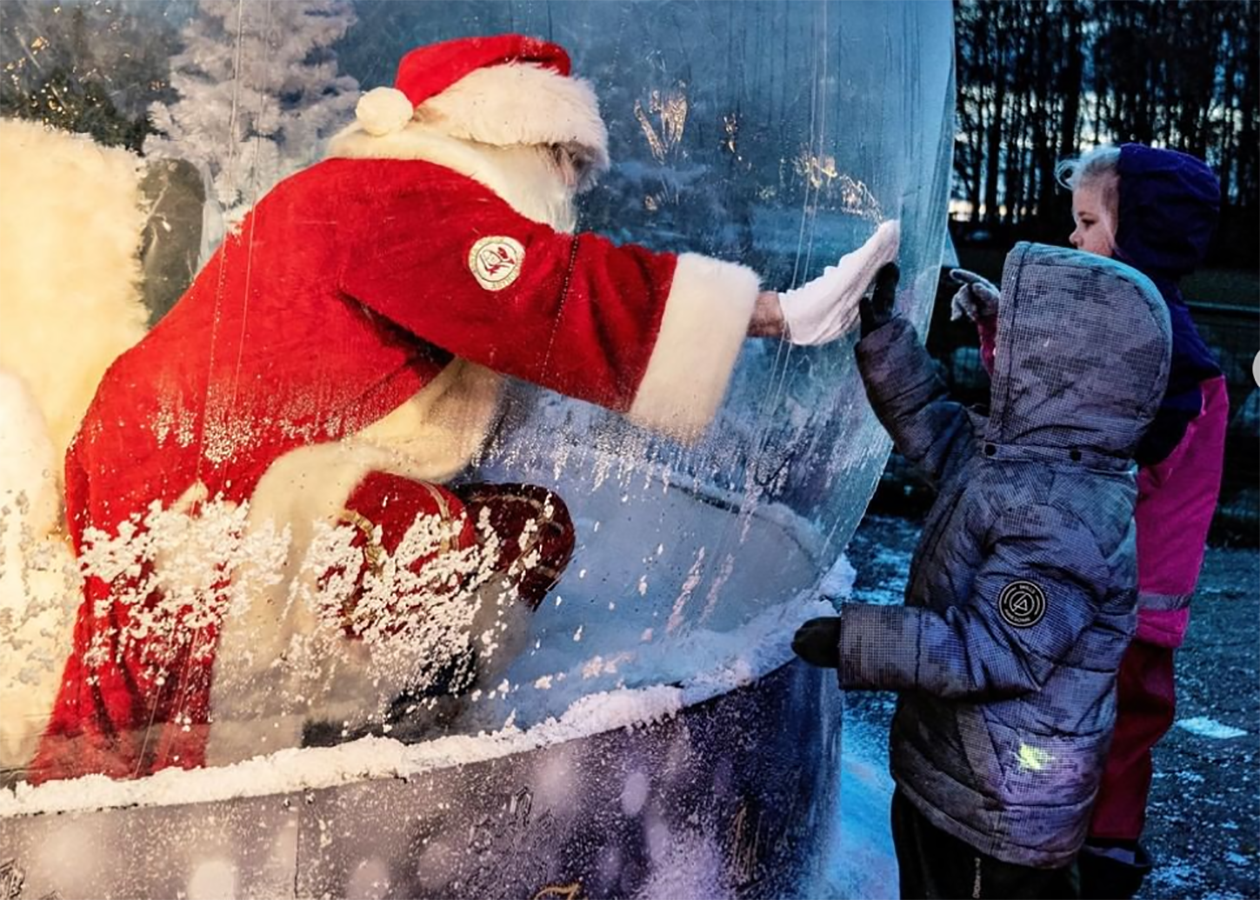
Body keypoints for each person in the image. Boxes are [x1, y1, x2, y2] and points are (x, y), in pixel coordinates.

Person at [28, 34, 899, 782]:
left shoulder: (377, 192)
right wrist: (773, 313)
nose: (568, 189)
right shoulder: (408, 198)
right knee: (157, 678)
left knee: (142, 660)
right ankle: (150, 819)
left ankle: (170, 785)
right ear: (506, 134)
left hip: (179, 448)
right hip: (192, 461)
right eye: (561, 161)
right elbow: (549, 295)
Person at [793, 243, 1173, 899]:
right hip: (954, 775)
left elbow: (992, 648)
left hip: (1002, 813)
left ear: (1065, 378)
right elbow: (934, 430)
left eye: (1022, 349)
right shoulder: (1023, 461)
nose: (1001, 359)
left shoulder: (1066, 521)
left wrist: (858, 640)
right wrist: (885, 342)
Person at [953, 144, 1229, 898]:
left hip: (1124, 596)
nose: (1073, 239)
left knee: (1106, 720)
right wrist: (1000, 333)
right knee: (1100, 718)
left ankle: (1091, 849)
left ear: (1136, 234)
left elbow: (1113, 457)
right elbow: (1056, 401)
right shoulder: (1140, 337)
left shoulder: (1169, 356)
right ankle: (1082, 837)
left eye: (1085, 222)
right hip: (1114, 583)